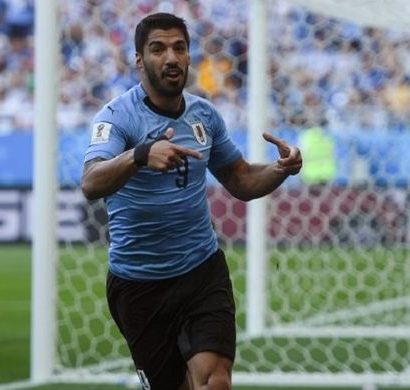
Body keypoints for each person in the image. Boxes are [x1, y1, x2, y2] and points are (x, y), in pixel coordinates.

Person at [81, 13, 302, 390]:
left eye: (179, 48)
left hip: (201, 271)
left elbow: (240, 178)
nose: (171, 58)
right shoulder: (116, 117)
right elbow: (91, 182)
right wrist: (140, 155)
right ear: (139, 60)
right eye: (158, 49)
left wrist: (281, 169)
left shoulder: (205, 115)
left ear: (188, 56)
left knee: (214, 381)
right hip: (139, 284)